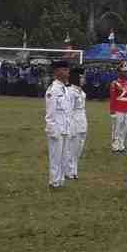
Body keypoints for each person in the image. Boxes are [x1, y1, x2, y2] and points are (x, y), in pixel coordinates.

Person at [44, 60, 72, 189]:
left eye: (67, 69)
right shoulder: (53, 90)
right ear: (56, 72)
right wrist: (52, 130)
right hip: (56, 128)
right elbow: (50, 113)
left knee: (63, 156)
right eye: (64, 69)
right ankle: (54, 181)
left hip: (65, 127)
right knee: (55, 156)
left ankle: (60, 180)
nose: (67, 71)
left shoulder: (64, 88)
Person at [65, 67, 88, 181]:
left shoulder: (81, 92)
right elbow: (69, 110)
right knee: (71, 147)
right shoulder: (71, 92)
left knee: (79, 147)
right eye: (82, 77)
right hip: (73, 121)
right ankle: (68, 171)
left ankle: (74, 170)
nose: (84, 79)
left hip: (82, 121)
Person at [108, 62, 127, 154]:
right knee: (117, 128)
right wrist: (112, 110)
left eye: (126, 71)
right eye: (123, 71)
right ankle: (115, 145)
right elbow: (112, 98)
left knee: (125, 128)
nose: (125, 73)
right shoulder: (114, 83)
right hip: (118, 108)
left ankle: (121, 144)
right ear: (119, 72)